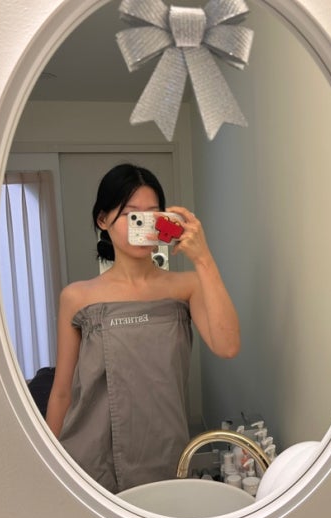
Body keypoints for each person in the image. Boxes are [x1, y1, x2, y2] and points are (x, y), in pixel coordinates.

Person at [46, 163, 240, 493]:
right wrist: (48, 466)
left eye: (152, 215)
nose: (142, 224)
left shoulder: (186, 286)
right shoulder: (76, 297)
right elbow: (63, 391)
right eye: (130, 214)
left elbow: (228, 346)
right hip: (90, 460)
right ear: (102, 220)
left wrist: (203, 258)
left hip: (165, 452)